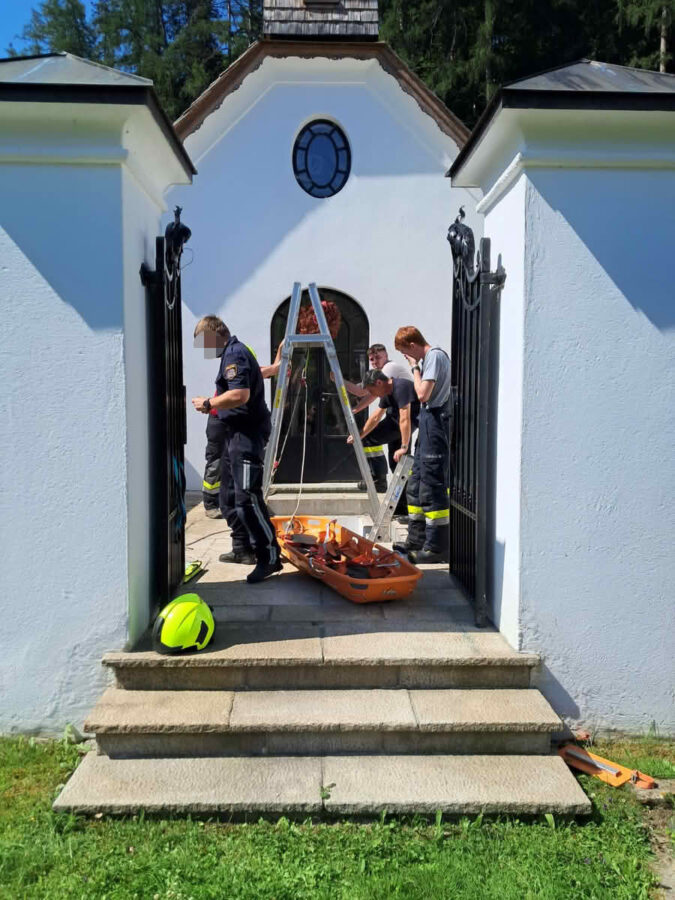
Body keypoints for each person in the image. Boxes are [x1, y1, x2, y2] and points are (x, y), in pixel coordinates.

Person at [192, 318, 282, 584]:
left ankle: (270, 557)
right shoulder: (231, 354)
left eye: (203, 341)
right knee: (228, 497)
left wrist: (208, 403)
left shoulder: (235, 353)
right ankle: (242, 549)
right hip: (234, 435)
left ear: (213, 334)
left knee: (247, 498)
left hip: (246, 434)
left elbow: (240, 394)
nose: (204, 348)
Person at [392, 326, 452, 563]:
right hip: (428, 422)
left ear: (413, 345)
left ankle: (436, 547)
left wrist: (414, 368)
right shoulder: (429, 358)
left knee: (432, 486)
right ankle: (416, 541)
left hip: (436, 421)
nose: (408, 358)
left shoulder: (434, 356)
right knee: (415, 484)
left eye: (405, 352)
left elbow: (423, 394)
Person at [347, 369, 419, 502]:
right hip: (395, 423)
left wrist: (404, 446)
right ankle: (402, 506)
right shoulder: (387, 391)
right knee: (396, 465)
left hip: (403, 425)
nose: (372, 394)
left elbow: (405, 418)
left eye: (371, 390)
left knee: (371, 441)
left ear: (379, 382)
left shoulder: (401, 387)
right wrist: (360, 435)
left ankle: (379, 480)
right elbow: (375, 417)